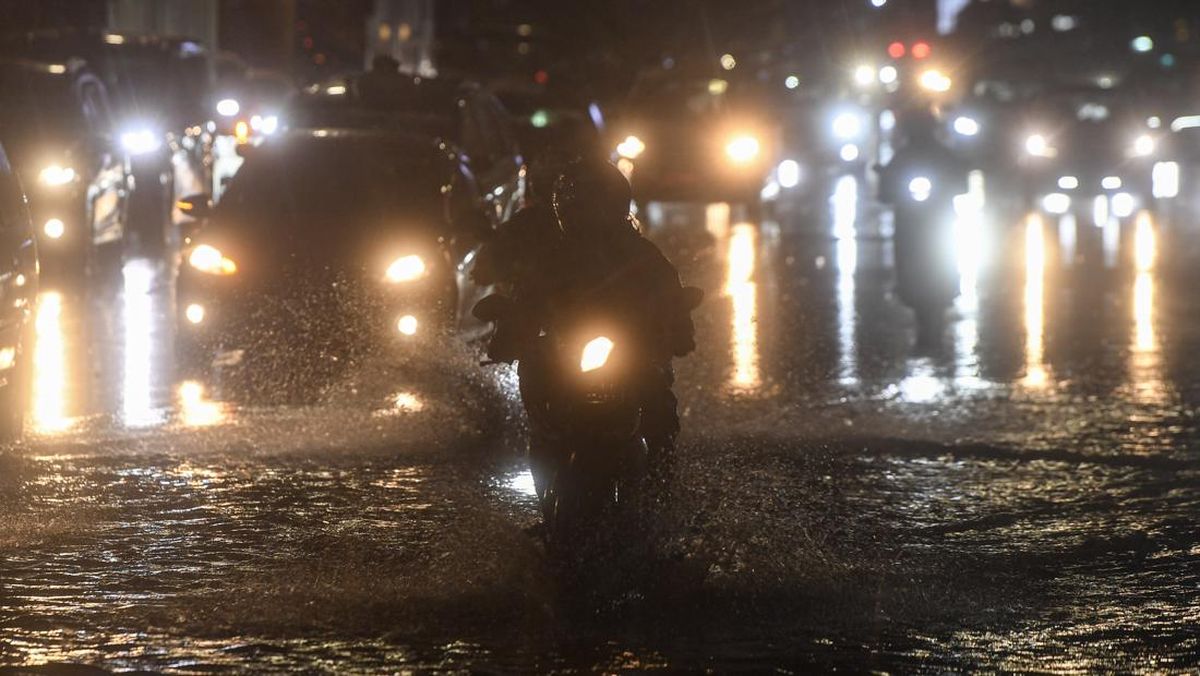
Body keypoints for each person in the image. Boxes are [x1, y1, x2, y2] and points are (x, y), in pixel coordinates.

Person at [474, 157, 695, 473]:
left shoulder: (642, 254)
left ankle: (662, 487)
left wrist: (678, 327)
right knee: (534, 371)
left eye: (597, 206)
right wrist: (507, 335)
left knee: (658, 408)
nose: (590, 217)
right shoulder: (551, 258)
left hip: (630, 350)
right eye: (580, 207)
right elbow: (525, 301)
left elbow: (670, 295)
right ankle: (548, 487)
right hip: (563, 352)